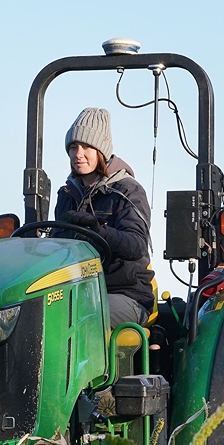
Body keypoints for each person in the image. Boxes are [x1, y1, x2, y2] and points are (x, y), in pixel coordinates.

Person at [53, 107, 156, 334]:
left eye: (87, 146)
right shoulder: (67, 195)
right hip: (77, 291)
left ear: (101, 150)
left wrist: (99, 230)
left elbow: (136, 244)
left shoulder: (127, 191)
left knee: (80, 314)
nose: (78, 154)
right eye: (73, 147)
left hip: (124, 293)